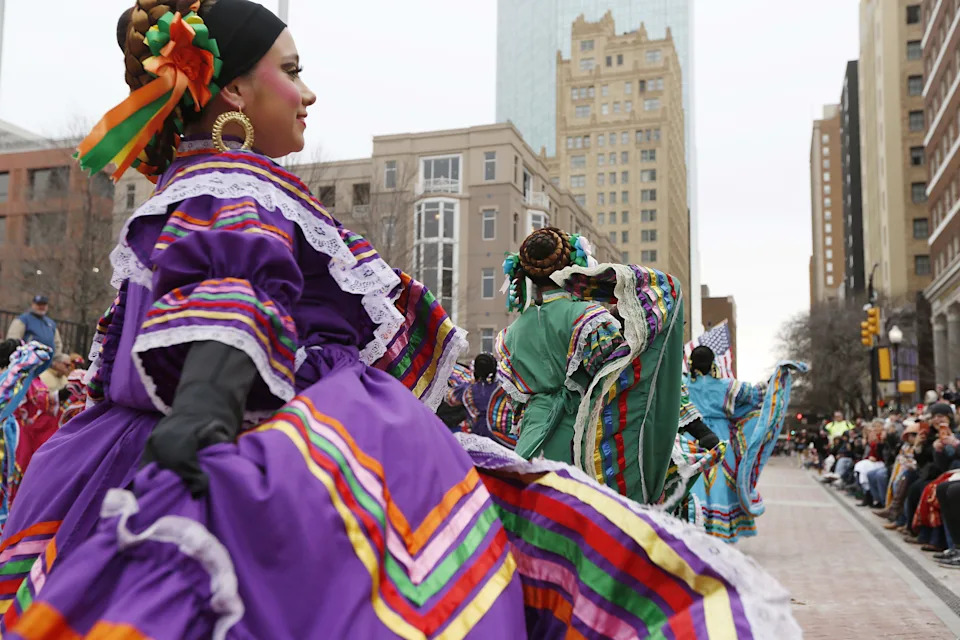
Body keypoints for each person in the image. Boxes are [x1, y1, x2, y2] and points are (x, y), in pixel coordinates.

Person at [0, 3, 798, 638]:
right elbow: (228, 293)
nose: (308, 92)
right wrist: (208, 409)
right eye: (292, 71)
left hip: (126, 456)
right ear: (235, 92)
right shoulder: (232, 183)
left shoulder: (190, 190)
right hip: (244, 453)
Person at [496, 226, 684, 504]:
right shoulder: (589, 318)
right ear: (575, 266)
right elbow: (615, 376)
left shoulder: (512, 332)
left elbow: (515, 402)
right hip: (578, 442)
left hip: (529, 442)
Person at [686, 345, 806, 542]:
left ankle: (691, 529)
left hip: (690, 437)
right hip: (720, 438)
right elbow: (759, 394)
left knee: (693, 480)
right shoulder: (728, 386)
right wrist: (779, 373)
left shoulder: (681, 384)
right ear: (713, 363)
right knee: (720, 482)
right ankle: (718, 532)